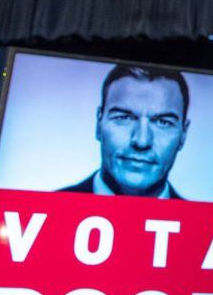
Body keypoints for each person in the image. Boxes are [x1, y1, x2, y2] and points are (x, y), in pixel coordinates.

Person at [60, 64, 189, 198]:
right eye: (124, 118)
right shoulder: (53, 208)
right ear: (99, 124)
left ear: (183, 134)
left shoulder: (202, 219)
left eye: (163, 122)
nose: (141, 141)